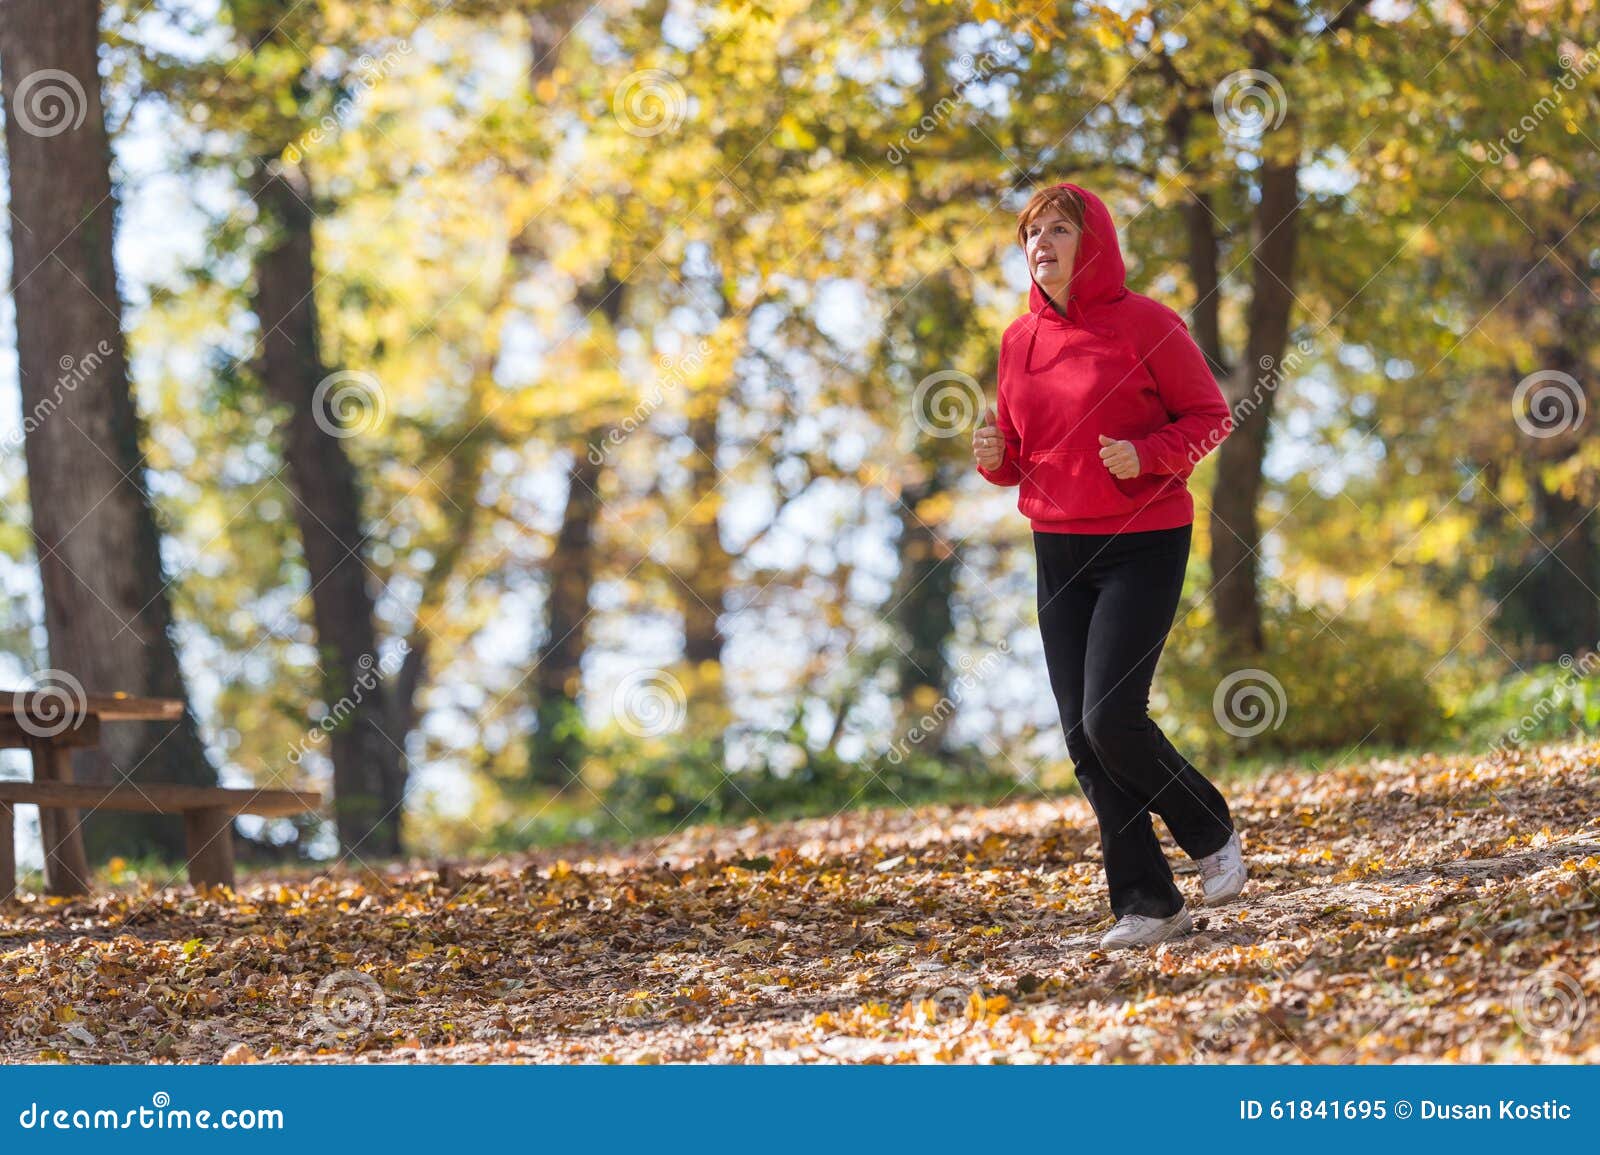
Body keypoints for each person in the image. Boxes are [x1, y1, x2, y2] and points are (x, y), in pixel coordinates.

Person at [972, 181, 1247, 950]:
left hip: (1143, 535)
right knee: (1082, 741)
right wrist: (996, 460)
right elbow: (1024, 454)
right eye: (1032, 234)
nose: (1042, 245)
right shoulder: (1016, 341)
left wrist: (1147, 455)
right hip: (1057, 546)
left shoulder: (1147, 324)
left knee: (1111, 718)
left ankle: (1210, 826)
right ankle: (1148, 903)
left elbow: (1210, 417)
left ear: (1093, 242)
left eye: (1059, 229)